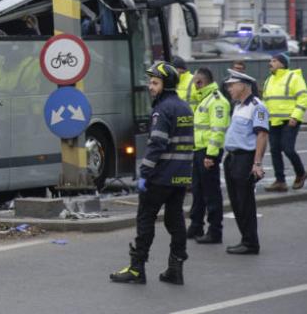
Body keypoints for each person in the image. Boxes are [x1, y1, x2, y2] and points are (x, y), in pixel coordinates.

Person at [110, 61, 193, 286]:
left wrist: (144, 172)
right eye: (150, 82)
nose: (150, 87)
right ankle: (175, 269)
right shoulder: (185, 107)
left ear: (166, 85)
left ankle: (137, 269)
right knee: (175, 222)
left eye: (155, 83)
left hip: (160, 177)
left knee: (145, 220)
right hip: (180, 177)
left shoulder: (161, 110)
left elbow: (157, 144)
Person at [222, 68, 270, 255]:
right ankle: (245, 239)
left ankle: (251, 243)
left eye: (232, 85)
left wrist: (257, 163)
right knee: (236, 202)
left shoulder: (257, 106)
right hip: (232, 158)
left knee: (245, 203)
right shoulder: (239, 106)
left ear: (243, 85)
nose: (229, 89)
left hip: (245, 158)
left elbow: (262, 135)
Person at [187, 67, 229, 244]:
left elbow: (217, 131)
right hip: (199, 151)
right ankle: (196, 225)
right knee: (198, 191)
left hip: (208, 152)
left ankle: (215, 230)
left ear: (200, 82)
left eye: (195, 82)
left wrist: (210, 156)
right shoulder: (204, 99)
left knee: (211, 193)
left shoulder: (216, 101)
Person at [260, 52, 307, 192]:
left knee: (287, 148)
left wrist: (295, 116)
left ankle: (301, 173)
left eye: (274, 61)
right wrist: (262, 121)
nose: (270, 63)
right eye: (270, 61)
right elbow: (265, 102)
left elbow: (303, 97)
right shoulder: (269, 80)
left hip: (289, 120)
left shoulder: (294, 77)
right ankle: (280, 181)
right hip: (273, 121)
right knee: (274, 150)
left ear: (282, 63)